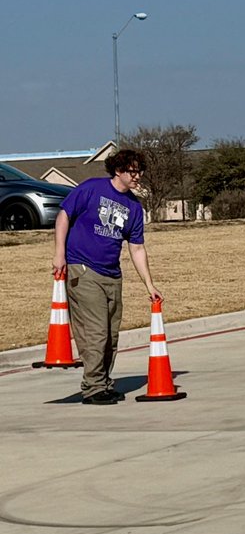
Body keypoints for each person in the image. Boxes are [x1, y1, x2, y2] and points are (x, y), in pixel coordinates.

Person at [53, 149, 161, 405]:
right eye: (133, 171)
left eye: (140, 170)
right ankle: (92, 388)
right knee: (96, 332)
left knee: (111, 336)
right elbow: (64, 215)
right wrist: (59, 253)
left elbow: (136, 248)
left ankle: (103, 383)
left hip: (112, 275)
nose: (138, 176)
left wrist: (149, 284)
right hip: (83, 269)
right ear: (118, 170)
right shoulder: (92, 188)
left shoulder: (134, 206)